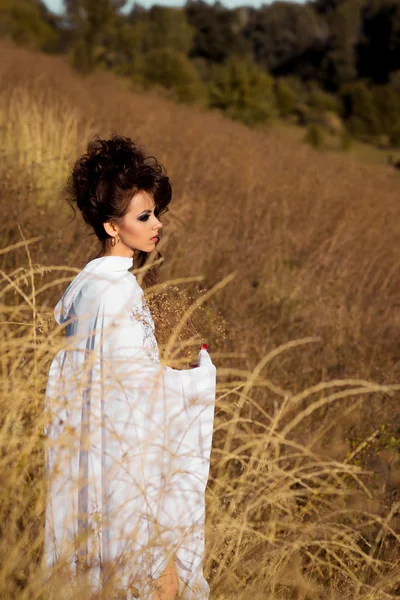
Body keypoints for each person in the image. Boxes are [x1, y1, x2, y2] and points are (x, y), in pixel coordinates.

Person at [42, 134, 217, 600]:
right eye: (144, 216)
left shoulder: (88, 286)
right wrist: (198, 380)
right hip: (126, 483)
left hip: (92, 475)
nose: (157, 224)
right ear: (112, 227)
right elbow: (133, 409)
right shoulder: (117, 293)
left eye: (156, 213)